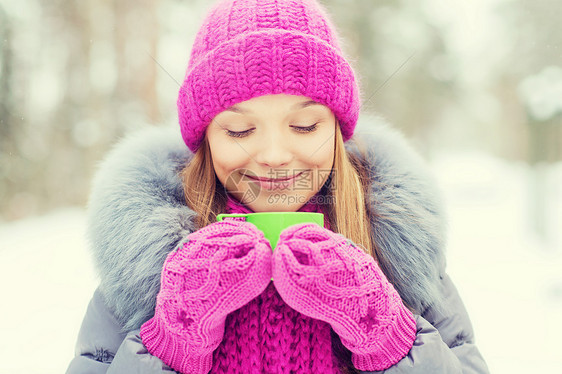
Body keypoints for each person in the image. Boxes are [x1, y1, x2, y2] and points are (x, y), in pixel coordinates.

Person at [66, 0, 489, 373]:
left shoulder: (402, 251)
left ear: (337, 132)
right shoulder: (142, 264)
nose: (274, 155)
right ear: (206, 139)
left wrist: (388, 338)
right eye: (239, 129)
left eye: (304, 126)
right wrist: (170, 342)